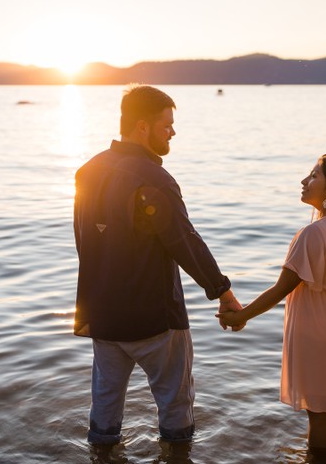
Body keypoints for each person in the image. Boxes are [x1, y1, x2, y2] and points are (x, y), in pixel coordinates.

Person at [73, 85, 243, 445]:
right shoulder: (154, 178)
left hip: (103, 316)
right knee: (175, 406)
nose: (173, 132)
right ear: (142, 127)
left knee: (104, 410)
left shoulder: (87, 172)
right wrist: (222, 291)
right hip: (156, 319)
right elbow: (184, 241)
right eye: (166, 125)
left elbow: (84, 242)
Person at [217, 153, 326, 458]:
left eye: (314, 176)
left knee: (318, 414)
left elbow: (281, 289)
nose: (304, 181)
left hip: (318, 328)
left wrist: (241, 315)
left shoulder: (313, 234)